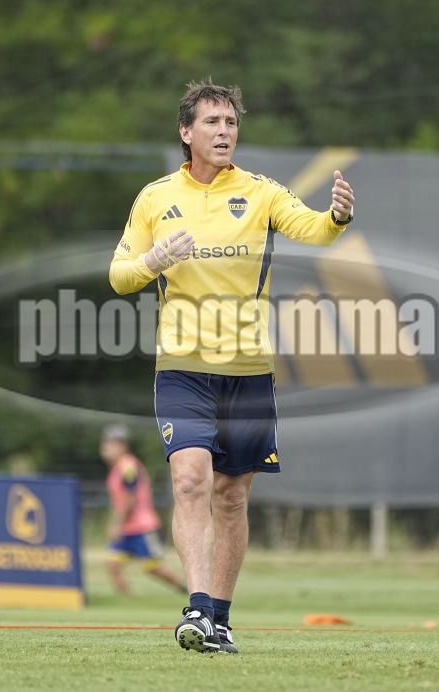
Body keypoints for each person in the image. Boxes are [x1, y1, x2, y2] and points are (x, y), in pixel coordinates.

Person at [109, 80, 354, 653]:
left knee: (231, 496)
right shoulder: (155, 198)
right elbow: (120, 276)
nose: (224, 132)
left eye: (231, 123)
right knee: (190, 479)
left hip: (247, 371)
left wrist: (338, 215)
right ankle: (196, 609)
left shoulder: (261, 192)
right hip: (182, 368)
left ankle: (218, 619)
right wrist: (153, 259)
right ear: (186, 132)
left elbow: (314, 229)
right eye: (212, 122)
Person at [99, 424, 186, 595]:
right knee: (113, 563)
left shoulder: (128, 466)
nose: (105, 448)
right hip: (127, 528)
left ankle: (186, 590)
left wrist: (117, 524)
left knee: (153, 568)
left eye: (111, 444)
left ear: (123, 446)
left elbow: (130, 499)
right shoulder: (118, 468)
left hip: (143, 527)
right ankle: (126, 600)